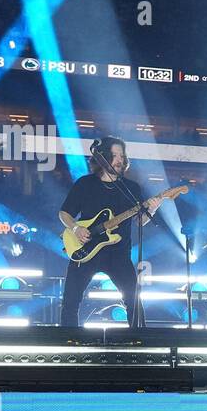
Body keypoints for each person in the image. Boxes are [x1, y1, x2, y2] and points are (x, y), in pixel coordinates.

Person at [57, 136, 167, 327]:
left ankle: (137, 344)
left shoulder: (131, 189)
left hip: (118, 254)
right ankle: (69, 343)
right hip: (85, 251)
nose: (119, 160)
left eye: (122, 156)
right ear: (103, 158)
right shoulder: (85, 184)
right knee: (70, 302)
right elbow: (64, 213)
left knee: (133, 302)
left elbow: (140, 221)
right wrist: (76, 228)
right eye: (114, 155)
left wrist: (152, 208)